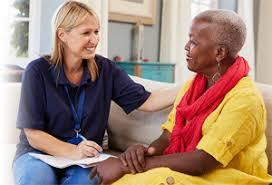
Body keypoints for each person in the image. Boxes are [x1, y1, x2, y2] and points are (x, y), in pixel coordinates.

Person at [91, 9, 272, 185]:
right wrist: (144, 153)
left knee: (148, 179)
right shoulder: (192, 86)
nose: (186, 47)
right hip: (196, 173)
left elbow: (203, 161)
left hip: (230, 177)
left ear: (220, 53)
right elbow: (167, 137)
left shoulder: (245, 100)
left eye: (193, 42)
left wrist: (125, 166)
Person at [12, 1, 179, 185]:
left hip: (85, 160)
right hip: (38, 155)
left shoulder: (105, 70)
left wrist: (190, 86)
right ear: (62, 35)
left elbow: (149, 101)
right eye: (86, 33)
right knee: (38, 181)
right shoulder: (37, 71)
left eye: (96, 32)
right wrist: (73, 151)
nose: (94, 40)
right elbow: (33, 135)